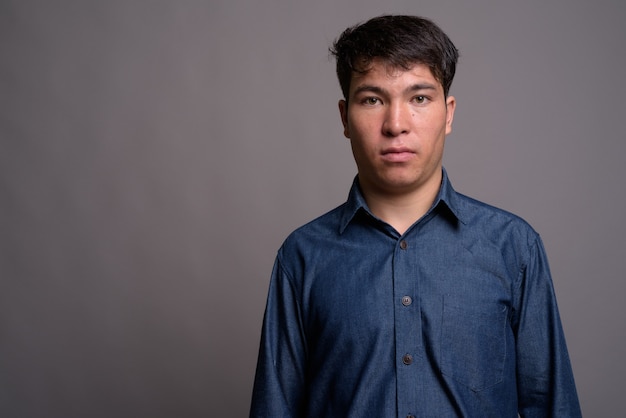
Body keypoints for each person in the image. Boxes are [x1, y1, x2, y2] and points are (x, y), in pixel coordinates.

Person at [250, 15, 582, 417]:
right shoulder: (302, 257)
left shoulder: (513, 247)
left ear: (449, 113)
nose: (395, 125)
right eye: (372, 99)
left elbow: (551, 405)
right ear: (344, 118)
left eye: (419, 98)